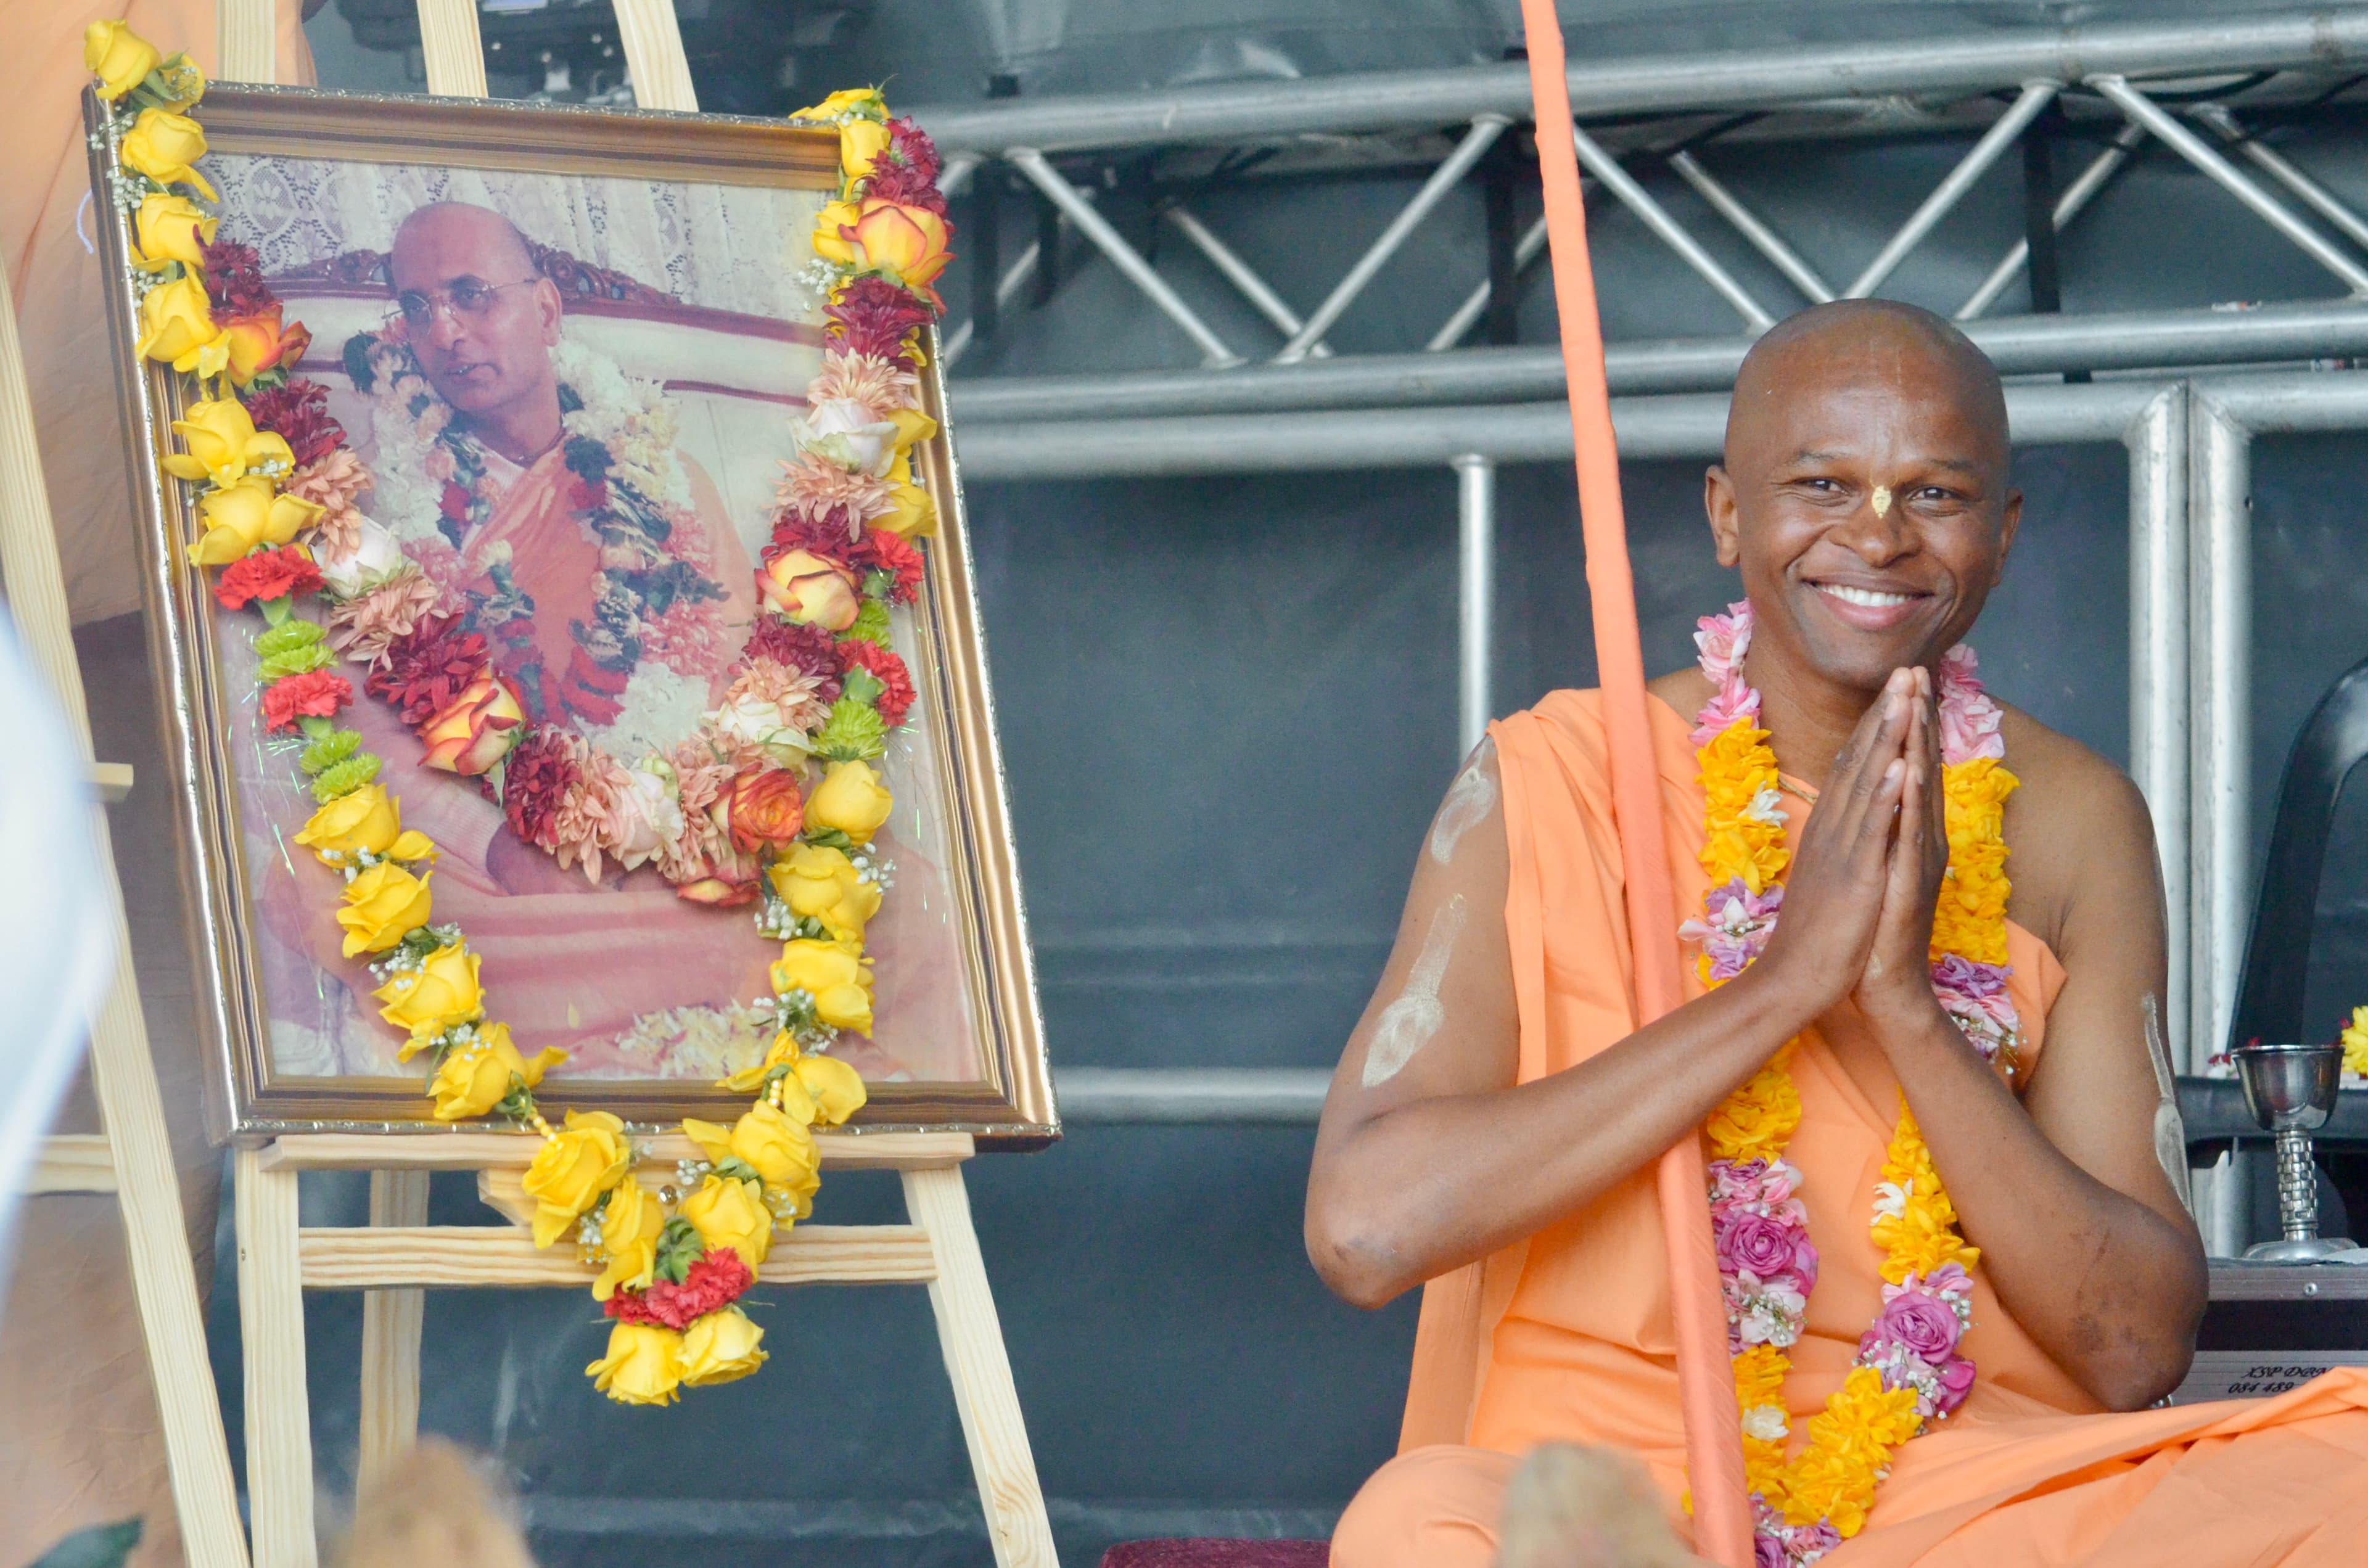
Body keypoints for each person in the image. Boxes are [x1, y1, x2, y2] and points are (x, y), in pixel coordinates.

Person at [1314, 300, 2368, 1567]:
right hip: (1615, 1502)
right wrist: (1785, 984)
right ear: (1726, 515)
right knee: (1421, 1528)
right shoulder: (1556, 781)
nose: (1877, 535)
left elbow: (2137, 1347)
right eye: (1822, 483)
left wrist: (1905, 1007)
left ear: (2005, 532)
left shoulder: (2074, 818)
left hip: (1960, 1500)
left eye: (1935, 492)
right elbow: (1367, 1229)